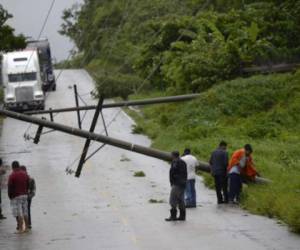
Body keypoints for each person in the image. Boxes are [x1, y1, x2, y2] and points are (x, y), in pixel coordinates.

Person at [8, 161, 29, 233]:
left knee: (19, 213)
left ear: (13, 167)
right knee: (25, 212)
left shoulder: (12, 175)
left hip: (16, 196)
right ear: (19, 166)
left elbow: (10, 187)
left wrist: (10, 196)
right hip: (25, 195)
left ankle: (20, 229)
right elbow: (28, 183)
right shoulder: (25, 174)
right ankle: (27, 228)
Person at [165, 151, 187, 221]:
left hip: (177, 183)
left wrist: (173, 180)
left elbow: (174, 172)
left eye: (171, 155)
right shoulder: (182, 162)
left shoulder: (176, 162)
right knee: (181, 199)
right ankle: (182, 216)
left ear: (173, 155)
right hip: (183, 183)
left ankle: (173, 216)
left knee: (173, 199)